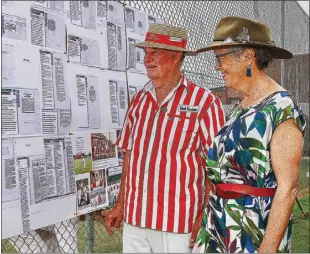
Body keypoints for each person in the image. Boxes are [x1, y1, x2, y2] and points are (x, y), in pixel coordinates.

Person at [102, 23, 225, 253]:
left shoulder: (204, 102)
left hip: (179, 224)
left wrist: (206, 215)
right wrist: (120, 205)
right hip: (136, 220)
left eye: (155, 52)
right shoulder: (139, 100)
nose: (148, 59)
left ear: (176, 56)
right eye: (146, 53)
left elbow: (216, 166)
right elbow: (130, 154)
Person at [192, 16, 306, 253]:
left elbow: (288, 189)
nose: (217, 66)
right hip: (219, 226)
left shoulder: (281, 109)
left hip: (253, 233)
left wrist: (267, 249)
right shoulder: (240, 107)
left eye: (220, 57)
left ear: (247, 56)